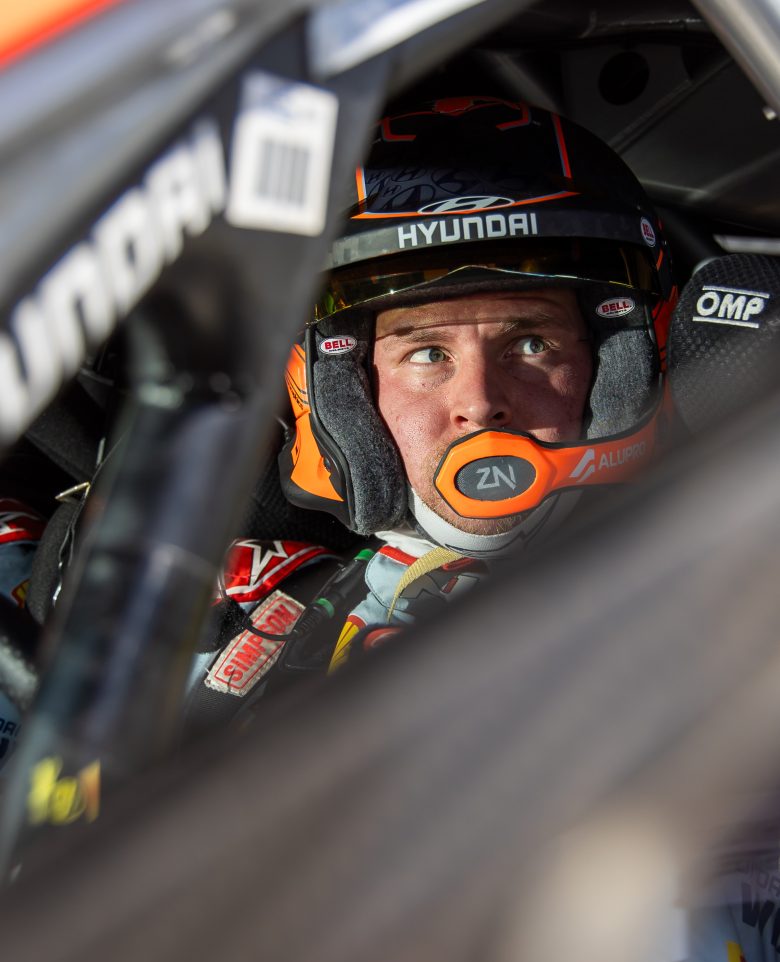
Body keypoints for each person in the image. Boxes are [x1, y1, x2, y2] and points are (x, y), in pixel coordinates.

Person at [180, 94, 677, 729]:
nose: (481, 403)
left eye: (532, 345)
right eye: (427, 354)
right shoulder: (234, 622)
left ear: (616, 368)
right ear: (344, 391)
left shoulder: (729, 589)